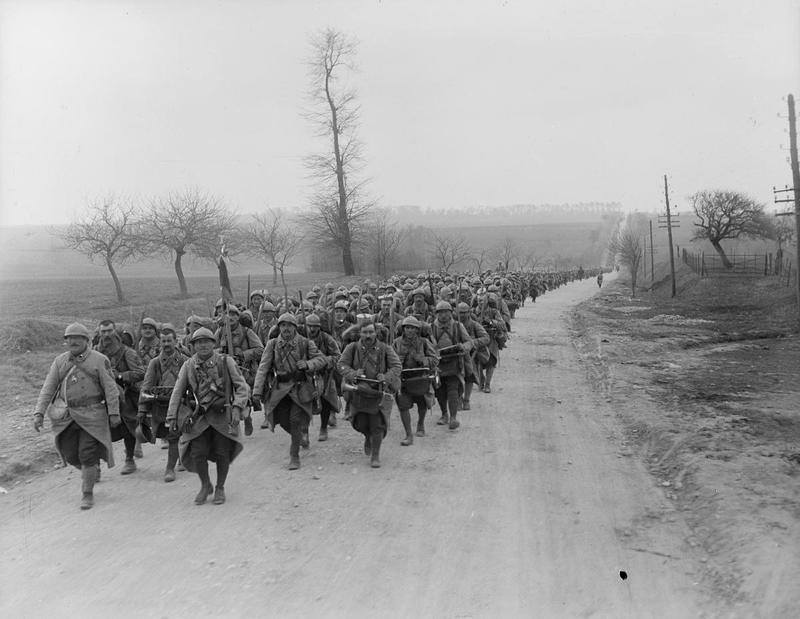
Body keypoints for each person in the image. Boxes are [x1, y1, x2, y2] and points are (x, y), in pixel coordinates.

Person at [33, 322, 121, 510]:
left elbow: (111, 388)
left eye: (77, 337)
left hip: (93, 415)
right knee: (70, 454)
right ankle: (91, 468)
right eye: (69, 338)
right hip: (67, 416)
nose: (72, 341)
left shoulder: (99, 360)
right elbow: (48, 388)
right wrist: (38, 412)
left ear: (86, 340)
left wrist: (114, 412)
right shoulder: (60, 362)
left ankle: (87, 493)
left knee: (86, 453)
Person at [166, 327, 249, 505]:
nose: (203, 345)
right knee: (197, 453)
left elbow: (242, 387)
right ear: (193, 345)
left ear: (213, 343)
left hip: (222, 415)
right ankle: (205, 485)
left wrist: (236, 408)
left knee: (222, 453)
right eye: (198, 342)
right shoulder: (188, 365)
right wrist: (172, 416)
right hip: (199, 417)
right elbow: (177, 391)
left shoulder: (225, 361)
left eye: (206, 341)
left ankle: (220, 487)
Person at [252, 313, 326, 470]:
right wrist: (257, 391)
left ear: (295, 327)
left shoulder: (305, 343)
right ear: (279, 327)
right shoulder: (272, 344)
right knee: (283, 420)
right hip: (280, 389)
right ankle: (299, 434)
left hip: (300, 388)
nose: (286, 329)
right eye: (283, 325)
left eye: (290, 325)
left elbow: (321, 359)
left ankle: (294, 456)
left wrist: (307, 364)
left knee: (294, 420)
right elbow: (263, 368)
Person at [338, 320, 401, 468]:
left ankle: (375, 455)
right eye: (365, 332)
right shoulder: (352, 348)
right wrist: (353, 373)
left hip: (377, 393)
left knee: (377, 425)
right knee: (360, 423)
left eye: (371, 332)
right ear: (360, 333)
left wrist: (385, 377)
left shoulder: (385, 348)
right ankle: (367, 436)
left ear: (376, 333)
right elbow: (341, 364)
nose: (368, 335)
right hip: (358, 393)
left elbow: (397, 366)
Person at [137, 324, 189, 482]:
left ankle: (169, 468)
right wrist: (142, 409)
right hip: (160, 405)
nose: (166, 344)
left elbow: (193, 383)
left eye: (169, 341)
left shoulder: (185, 361)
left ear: (175, 341)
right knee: (168, 434)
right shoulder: (155, 363)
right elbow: (146, 386)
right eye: (163, 341)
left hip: (180, 404)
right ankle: (179, 457)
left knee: (174, 435)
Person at [96, 319, 145, 473]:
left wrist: (120, 376)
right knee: (95, 430)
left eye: (109, 331)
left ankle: (129, 459)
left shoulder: (127, 352)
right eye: (103, 332)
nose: (106, 335)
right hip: (100, 398)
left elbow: (140, 372)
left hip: (125, 396)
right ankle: (94, 467)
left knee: (128, 428)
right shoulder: (94, 352)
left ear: (115, 331)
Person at [214, 303, 264, 436]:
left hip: (244, 370)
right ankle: (232, 425)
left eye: (233, 314)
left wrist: (243, 354)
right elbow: (212, 350)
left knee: (244, 395)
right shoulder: (220, 332)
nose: (229, 317)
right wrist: (221, 352)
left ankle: (247, 418)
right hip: (225, 371)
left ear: (238, 317)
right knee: (225, 397)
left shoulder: (247, 332)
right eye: (227, 314)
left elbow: (260, 350)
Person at [392, 316, 438, 444]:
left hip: (421, 378)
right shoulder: (396, 343)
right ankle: (408, 434)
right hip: (404, 379)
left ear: (417, 330)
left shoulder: (424, 342)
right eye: (407, 328)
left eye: (413, 328)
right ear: (403, 329)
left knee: (422, 403)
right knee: (403, 405)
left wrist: (423, 360)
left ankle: (420, 424)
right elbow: (389, 360)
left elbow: (435, 359)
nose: (410, 331)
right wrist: (397, 361)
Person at [430, 301, 473, 430]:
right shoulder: (431, 327)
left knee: (453, 390)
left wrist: (462, 347)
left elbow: (469, 342)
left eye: (446, 312)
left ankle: (453, 417)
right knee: (439, 390)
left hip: (454, 362)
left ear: (450, 313)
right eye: (440, 312)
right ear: (436, 314)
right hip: (438, 363)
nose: (443, 315)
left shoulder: (457, 326)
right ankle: (444, 414)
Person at [303, 313, 341, 442]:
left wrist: (326, 361)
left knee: (326, 400)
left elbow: (337, 355)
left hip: (324, 374)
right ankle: (304, 432)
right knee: (304, 402)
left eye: (315, 327)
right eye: (309, 326)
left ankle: (323, 428)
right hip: (306, 375)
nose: (312, 329)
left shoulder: (327, 339)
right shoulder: (301, 339)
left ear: (319, 327)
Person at [455, 302, 490, 410]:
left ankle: (466, 400)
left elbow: (486, 338)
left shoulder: (474, 325)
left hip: (471, 356)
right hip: (456, 355)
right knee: (456, 379)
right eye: (460, 313)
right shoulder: (454, 325)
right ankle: (459, 399)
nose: (462, 315)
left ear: (469, 312)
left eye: (464, 313)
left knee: (469, 377)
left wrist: (471, 343)